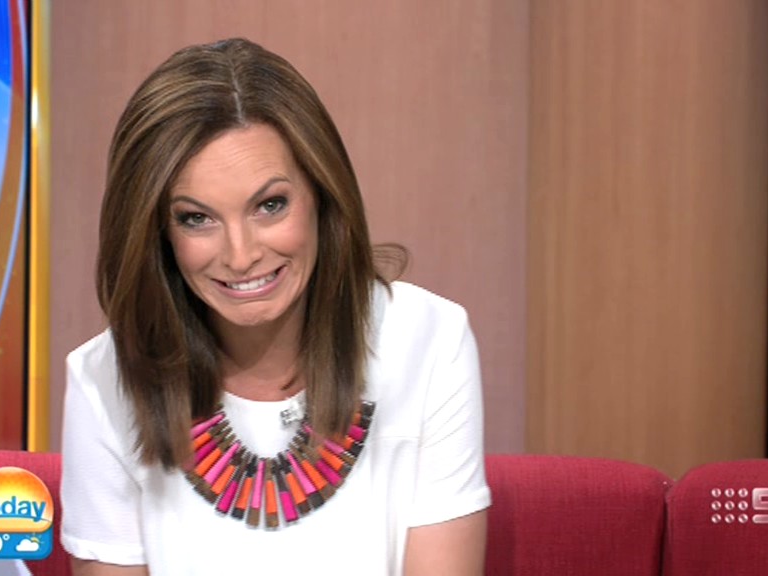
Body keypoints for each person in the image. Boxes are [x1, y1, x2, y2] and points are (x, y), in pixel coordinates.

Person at [60, 38, 490, 576]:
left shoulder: (429, 340)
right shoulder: (104, 380)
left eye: (270, 205)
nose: (241, 256)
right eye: (196, 218)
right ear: (158, 232)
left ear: (322, 195)